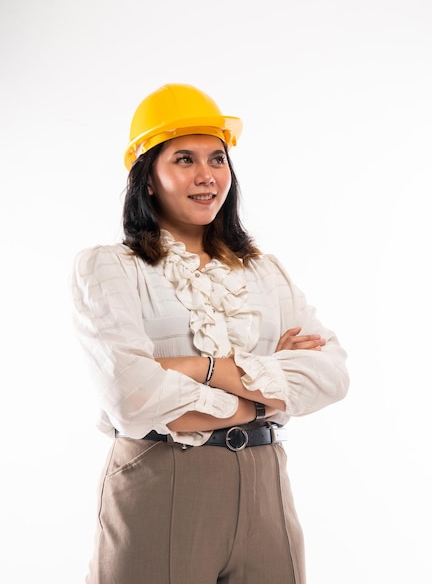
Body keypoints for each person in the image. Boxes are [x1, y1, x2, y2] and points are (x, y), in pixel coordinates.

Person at [72, 83, 349, 584]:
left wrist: (197, 369)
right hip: (163, 477)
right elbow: (131, 397)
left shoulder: (266, 272)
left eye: (217, 159)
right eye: (183, 159)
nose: (207, 176)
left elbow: (330, 375)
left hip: (267, 482)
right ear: (148, 178)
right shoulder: (110, 268)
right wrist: (267, 395)